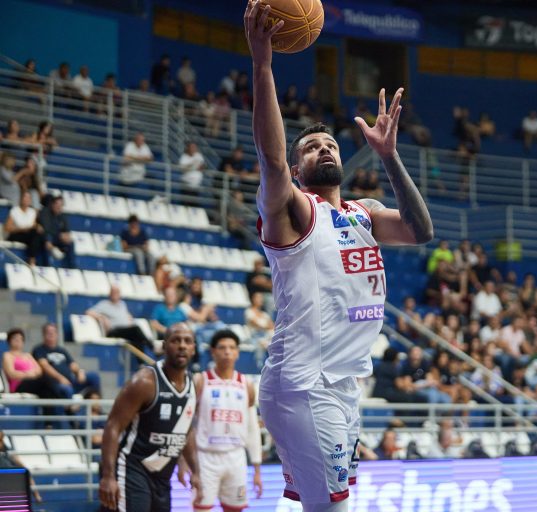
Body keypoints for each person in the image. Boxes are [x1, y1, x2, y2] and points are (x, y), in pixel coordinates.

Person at [244, 2, 433, 510]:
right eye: (311, 148)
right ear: (298, 169)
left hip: (343, 383)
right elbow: (270, 159)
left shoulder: (363, 212)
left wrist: (390, 157)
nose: (324, 149)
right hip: (305, 383)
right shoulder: (295, 211)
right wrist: (263, 65)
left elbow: (420, 231)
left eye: (330, 144)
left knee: (312, 503)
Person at [98, 323, 200, 512]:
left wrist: (195, 470)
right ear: (164, 346)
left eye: (187, 341)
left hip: (162, 475)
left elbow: (186, 430)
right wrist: (108, 476)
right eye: (176, 340)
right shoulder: (144, 382)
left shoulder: (194, 384)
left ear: (193, 348)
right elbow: (113, 426)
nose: (182, 346)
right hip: (132, 467)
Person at [177, 330, 263, 511]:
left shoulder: (246, 384)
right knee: (201, 508)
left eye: (232, 348)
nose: (227, 352)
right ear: (213, 352)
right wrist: (183, 461)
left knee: (235, 508)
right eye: (222, 347)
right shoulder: (201, 381)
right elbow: (187, 423)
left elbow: (252, 428)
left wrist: (256, 468)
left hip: (236, 457)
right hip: (205, 457)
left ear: (238, 352)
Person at [32, 323, 101, 400]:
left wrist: (79, 372)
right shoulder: (39, 350)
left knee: (94, 377)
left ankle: (96, 404)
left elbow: (72, 364)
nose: (51, 335)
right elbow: (45, 366)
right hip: (53, 384)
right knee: (67, 389)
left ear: (57, 334)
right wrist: (60, 378)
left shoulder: (62, 350)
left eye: (53, 332)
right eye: (48, 332)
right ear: (43, 335)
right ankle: (72, 406)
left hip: (70, 381)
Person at [87, 285, 154, 353]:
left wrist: (128, 317)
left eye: (117, 292)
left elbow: (126, 315)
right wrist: (102, 317)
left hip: (124, 331)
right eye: (113, 292)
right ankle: (153, 348)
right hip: (113, 331)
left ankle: (141, 359)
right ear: (110, 293)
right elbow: (89, 312)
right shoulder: (104, 304)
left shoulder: (122, 304)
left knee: (137, 338)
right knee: (136, 329)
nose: (114, 294)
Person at [1, 328, 48, 395]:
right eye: (15, 338)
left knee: (47, 386)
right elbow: (11, 374)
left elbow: (39, 371)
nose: (18, 340)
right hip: (18, 385)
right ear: (9, 341)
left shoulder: (28, 355)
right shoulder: (8, 355)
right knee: (45, 381)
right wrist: (28, 374)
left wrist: (30, 374)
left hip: (33, 382)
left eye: (20, 339)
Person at [4, 190, 44, 264]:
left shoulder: (32, 212)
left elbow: (34, 225)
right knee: (35, 236)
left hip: (29, 235)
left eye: (28, 198)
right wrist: (22, 229)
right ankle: (32, 260)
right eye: (25, 197)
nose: (26, 199)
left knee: (38, 235)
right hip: (16, 234)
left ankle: (32, 258)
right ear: (21, 199)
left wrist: (38, 226)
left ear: (30, 200)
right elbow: (7, 228)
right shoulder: (14, 211)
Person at [37, 194, 76, 268]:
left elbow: (67, 230)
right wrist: (59, 234)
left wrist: (66, 236)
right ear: (52, 204)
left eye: (61, 205)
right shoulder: (45, 212)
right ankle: (47, 266)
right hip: (46, 237)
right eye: (57, 204)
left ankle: (72, 267)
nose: (58, 207)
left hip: (57, 239)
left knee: (70, 242)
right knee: (48, 238)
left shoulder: (63, 216)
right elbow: (46, 229)